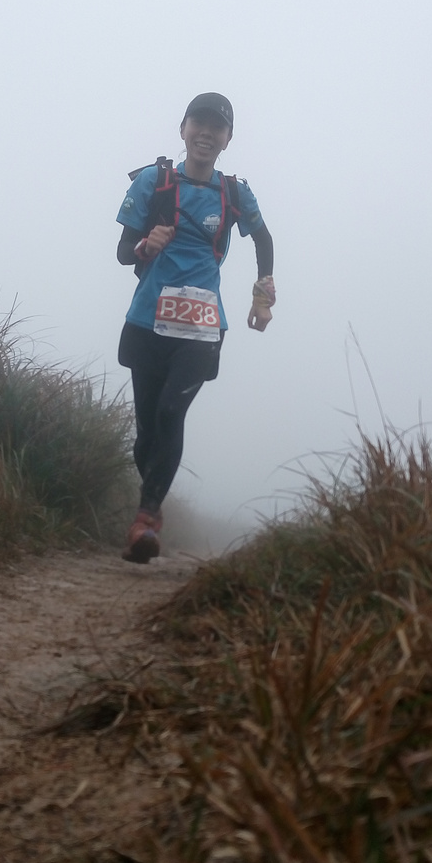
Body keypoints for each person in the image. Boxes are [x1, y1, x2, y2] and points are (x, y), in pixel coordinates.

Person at [116, 92, 275, 564]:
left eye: (217, 127)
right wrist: (147, 244)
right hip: (148, 320)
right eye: (198, 123)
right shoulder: (154, 181)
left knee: (170, 413)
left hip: (204, 326)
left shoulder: (234, 193)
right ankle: (151, 507)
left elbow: (264, 239)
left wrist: (263, 297)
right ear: (183, 129)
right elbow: (124, 252)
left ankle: (145, 520)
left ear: (227, 139)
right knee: (146, 434)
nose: (206, 133)